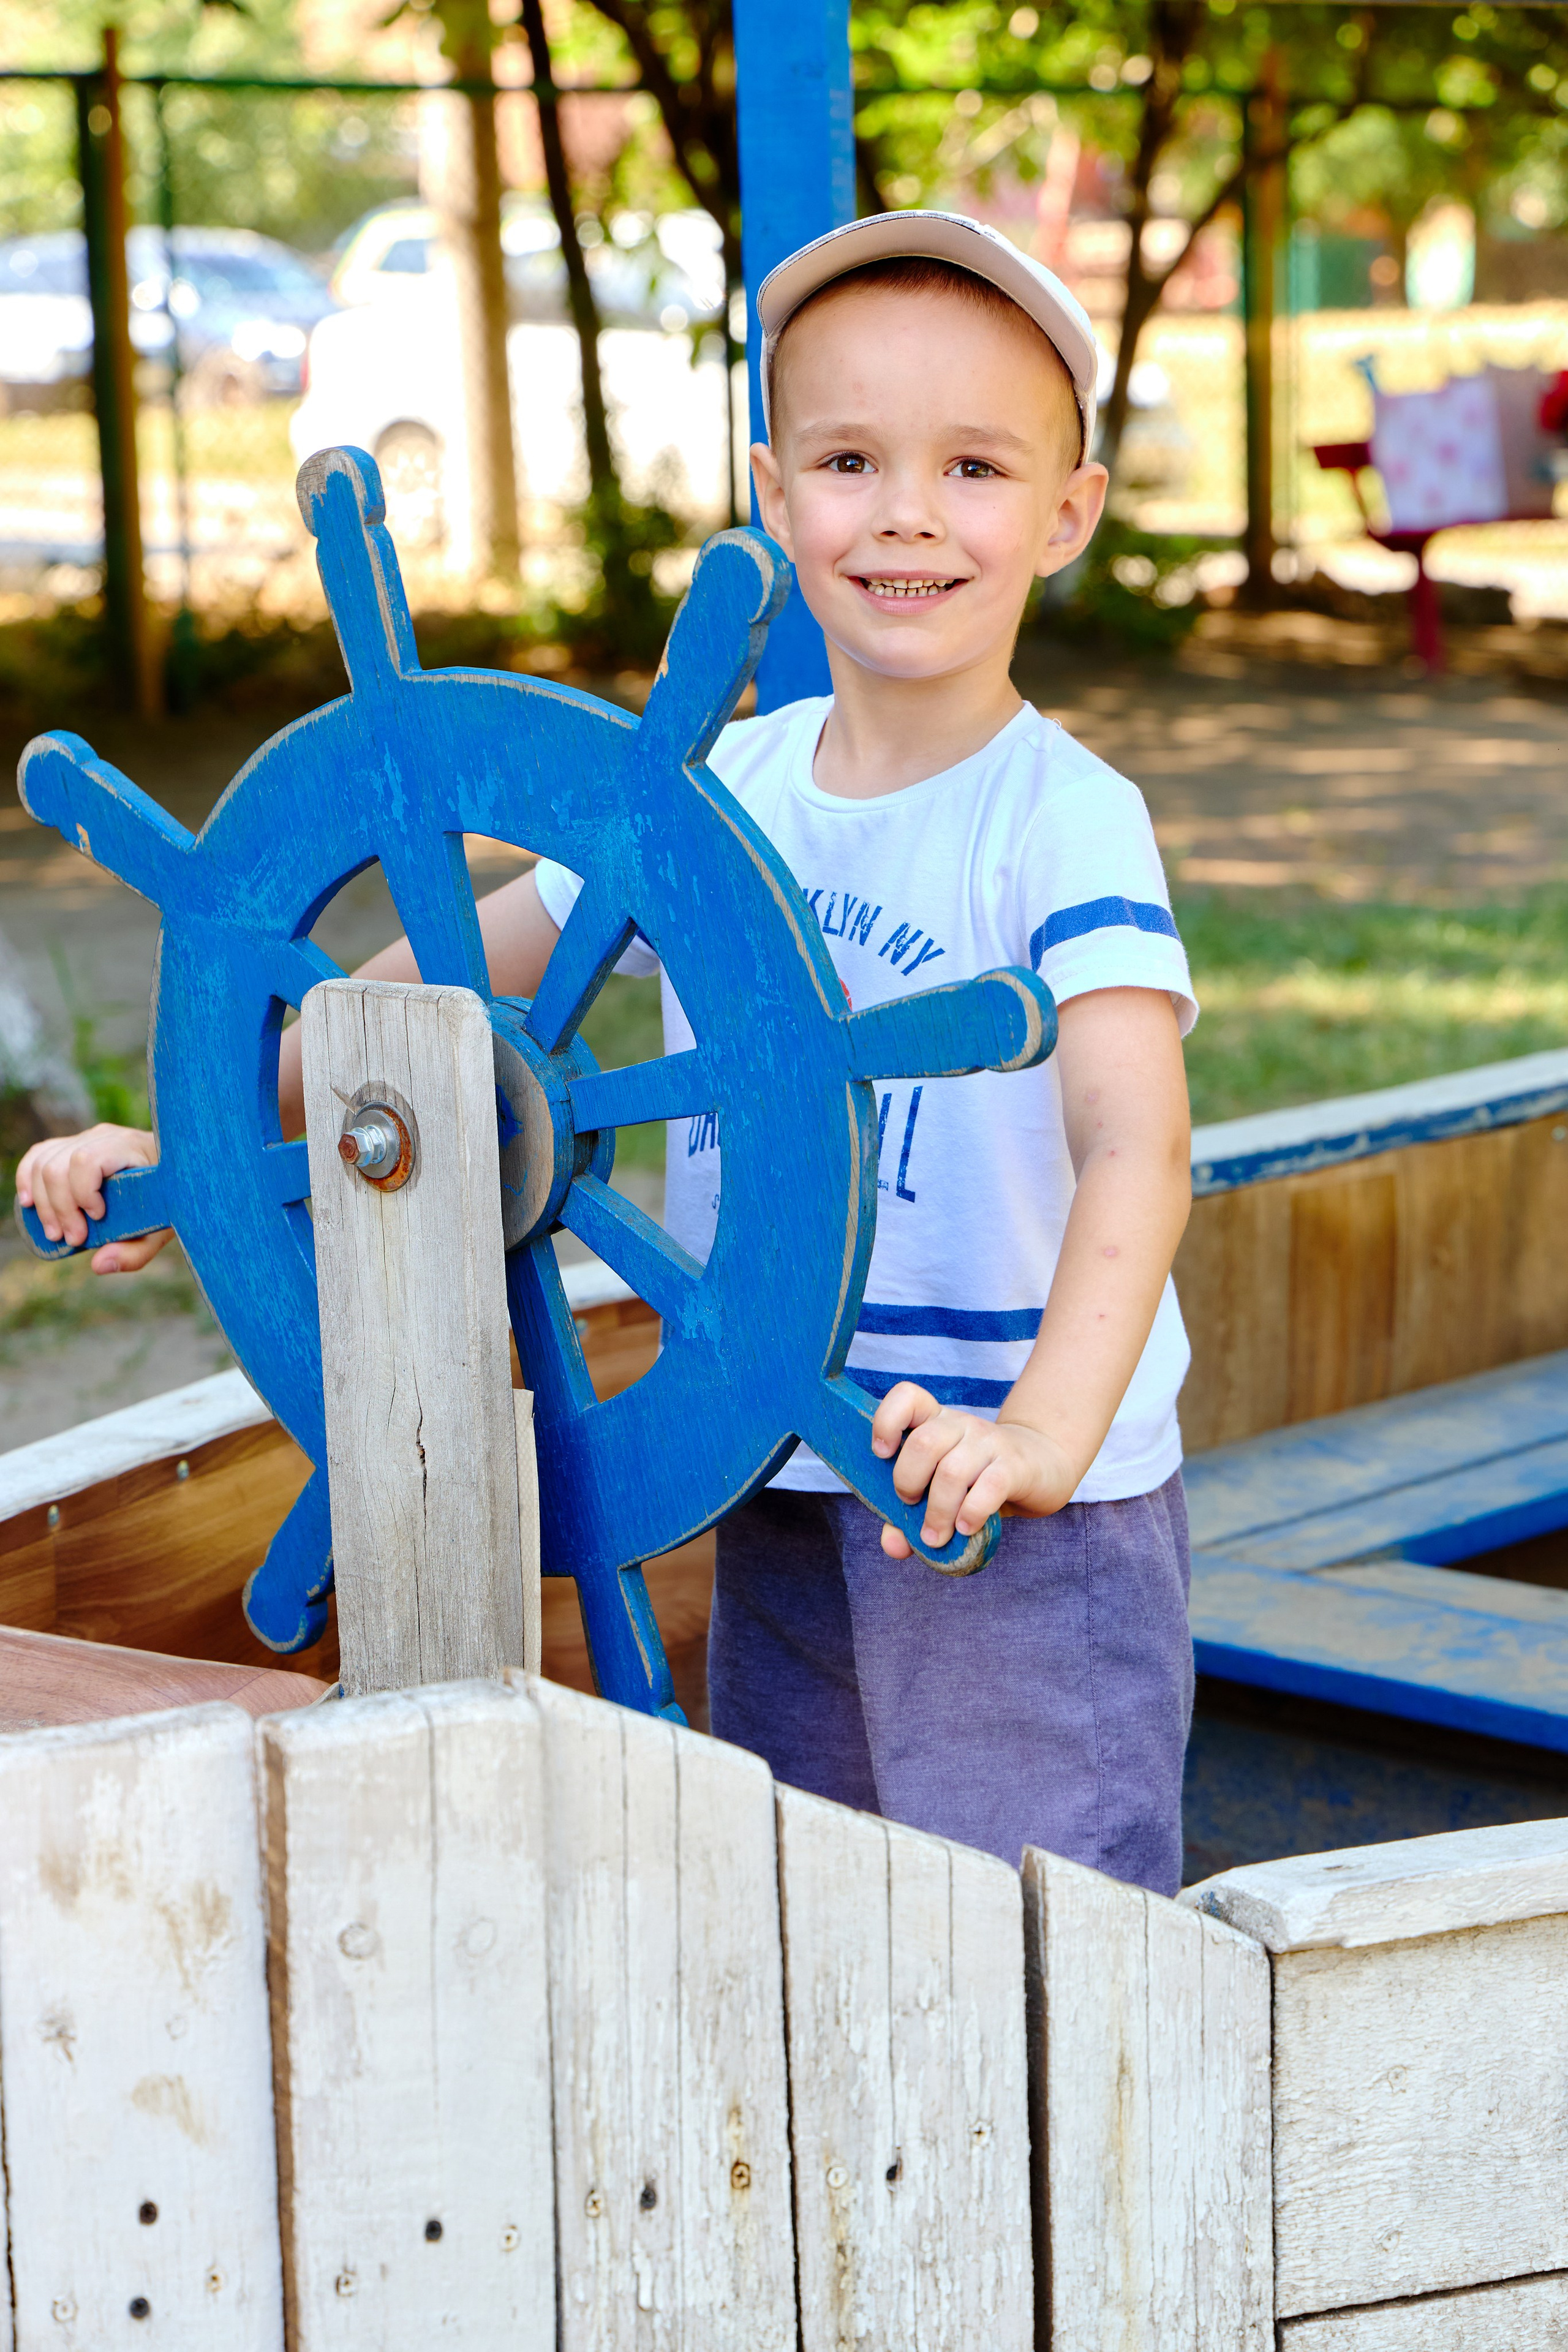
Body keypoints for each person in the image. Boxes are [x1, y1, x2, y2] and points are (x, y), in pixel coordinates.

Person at [18, 212, 1197, 1894]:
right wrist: (205, 1148)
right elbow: (437, 994)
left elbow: (1137, 1144)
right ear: (776, 497)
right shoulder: (728, 796)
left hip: (1015, 1516)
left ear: (1069, 514)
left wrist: (1042, 1434)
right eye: (852, 460)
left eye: (978, 468)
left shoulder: (1062, 822)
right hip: (770, 1457)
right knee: (819, 1915)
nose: (910, 514)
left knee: (1051, 1947)